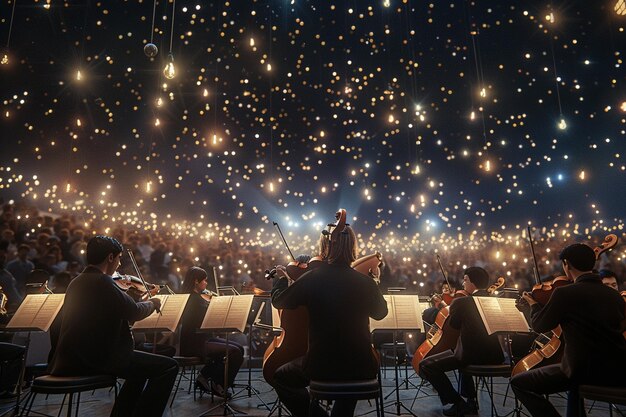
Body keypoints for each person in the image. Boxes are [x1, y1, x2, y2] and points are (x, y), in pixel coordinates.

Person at [49, 235, 178, 417]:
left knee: (139, 372)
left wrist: (138, 300)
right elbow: (134, 312)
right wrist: (153, 302)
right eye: (118, 258)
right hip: (95, 358)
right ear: (110, 257)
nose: (119, 264)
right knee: (169, 366)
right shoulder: (102, 281)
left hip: (75, 356)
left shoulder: (77, 282)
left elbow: (117, 309)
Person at [271, 223, 388, 417]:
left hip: (321, 364)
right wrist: (374, 282)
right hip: (361, 364)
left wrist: (281, 279)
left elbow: (279, 301)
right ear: (352, 247)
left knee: (281, 377)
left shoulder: (312, 278)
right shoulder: (365, 282)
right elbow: (380, 313)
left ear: (325, 247)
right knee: (349, 378)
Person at [511, 243, 626, 417]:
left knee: (518, 382)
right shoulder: (614, 295)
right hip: (617, 369)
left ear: (567, 264)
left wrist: (533, 305)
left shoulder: (565, 293)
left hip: (582, 370)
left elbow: (540, 325)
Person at [418, 266, 504, 416]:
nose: (463, 284)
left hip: (470, 356)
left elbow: (454, 325)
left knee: (426, 365)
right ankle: (470, 401)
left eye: (465, 280)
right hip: (496, 356)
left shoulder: (461, 303)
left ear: (472, 283)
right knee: (462, 349)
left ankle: (458, 403)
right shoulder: (496, 302)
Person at [179, 266, 244, 397]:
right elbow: (205, 319)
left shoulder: (199, 298)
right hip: (194, 342)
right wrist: (217, 306)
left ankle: (204, 376)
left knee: (240, 349)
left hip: (204, 338)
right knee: (235, 352)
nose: (206, 283)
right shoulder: (193, 300)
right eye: (204, 280)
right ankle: (218, 384)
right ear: (196, 281)